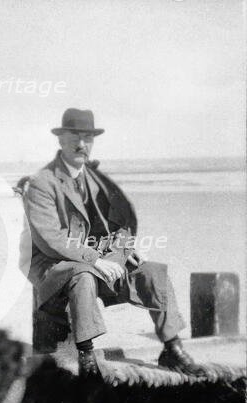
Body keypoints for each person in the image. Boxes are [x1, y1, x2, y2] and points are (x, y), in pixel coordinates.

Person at [19, 109, 202, 377]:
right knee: (81, 275)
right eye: (75, 137)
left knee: (152, 273)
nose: (82, 144)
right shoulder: (41, 183)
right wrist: (96, 260)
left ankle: (171, 348)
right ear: (61, 140)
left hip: (100, 262)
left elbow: (122, 226)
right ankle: (87, 356)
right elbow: (51, 239)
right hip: (56, 268)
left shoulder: (97, 180)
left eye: (88, 138)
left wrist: (118, 256)